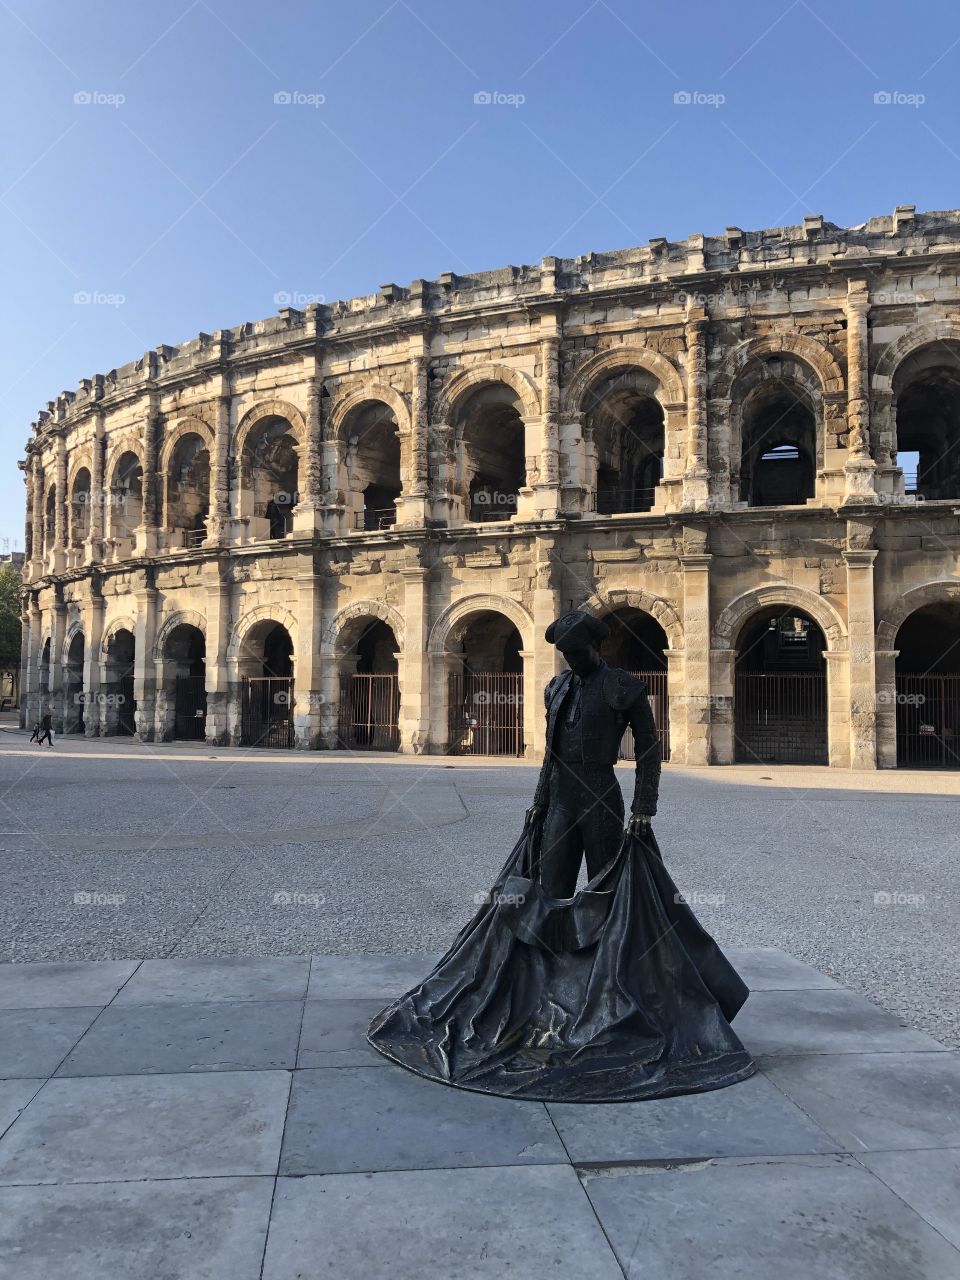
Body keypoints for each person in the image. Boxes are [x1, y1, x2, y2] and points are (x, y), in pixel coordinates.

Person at [368, 608, 756, 1102]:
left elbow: (650, 750)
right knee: (544, 897)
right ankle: (541, 997)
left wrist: (644, 808)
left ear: (596, 648)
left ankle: (609, 990)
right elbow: (551, 754)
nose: (570, 659)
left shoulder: (622, 686)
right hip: (561, 797)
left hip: (600, 794)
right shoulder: (557, 689)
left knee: (608, 895)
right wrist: (538, 803)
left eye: (576, 651)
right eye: (565, 653)